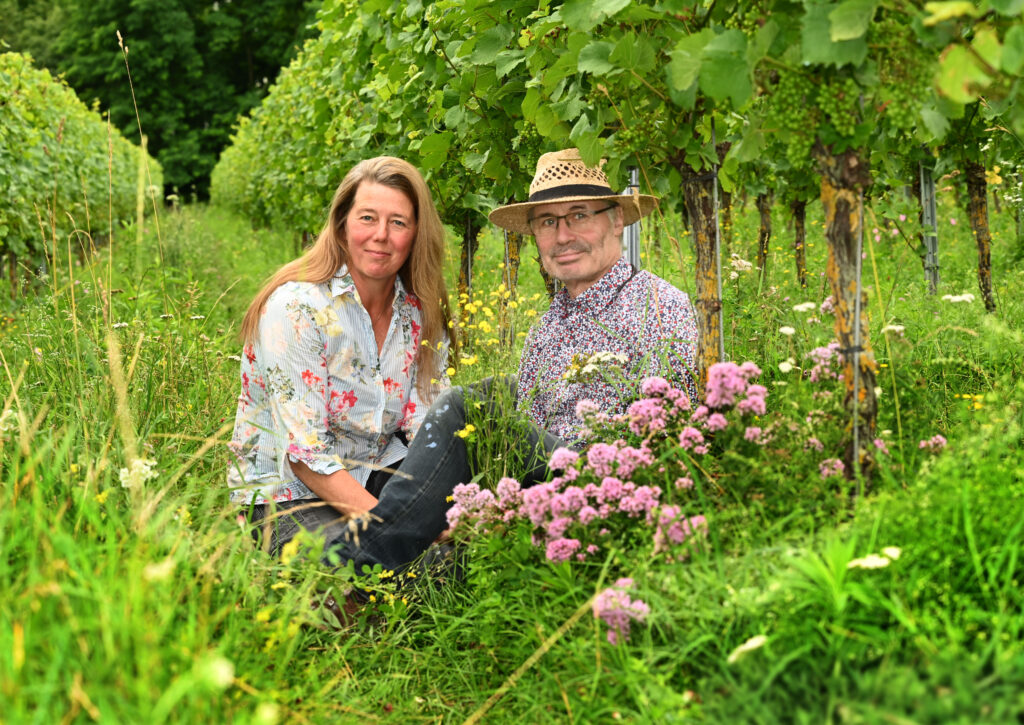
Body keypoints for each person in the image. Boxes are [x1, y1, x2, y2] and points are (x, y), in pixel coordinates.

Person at [323, 148, 699, 575]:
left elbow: (668, 433)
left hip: (611, 486)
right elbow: (522, 450)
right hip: (549, 501)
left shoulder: (656, 304)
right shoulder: (546, 329)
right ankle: (374, 575)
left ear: (616, 221)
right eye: (548, 222)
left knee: (467, 407)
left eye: (580, 215)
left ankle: (346, 572)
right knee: (440, 571)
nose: (563, 235)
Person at [227, 156, 456, 555]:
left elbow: (426, 421)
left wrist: (445, 504)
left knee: (461, 544)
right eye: (367, 218)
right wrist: (401, 526)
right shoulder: (297, 309)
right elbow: (305, 456)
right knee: (364, 567)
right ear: (342, 224)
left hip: (376, 470)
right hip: (291, 493)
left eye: (398, 222)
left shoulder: (416, 311)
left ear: (416, 233)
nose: (381, 235)